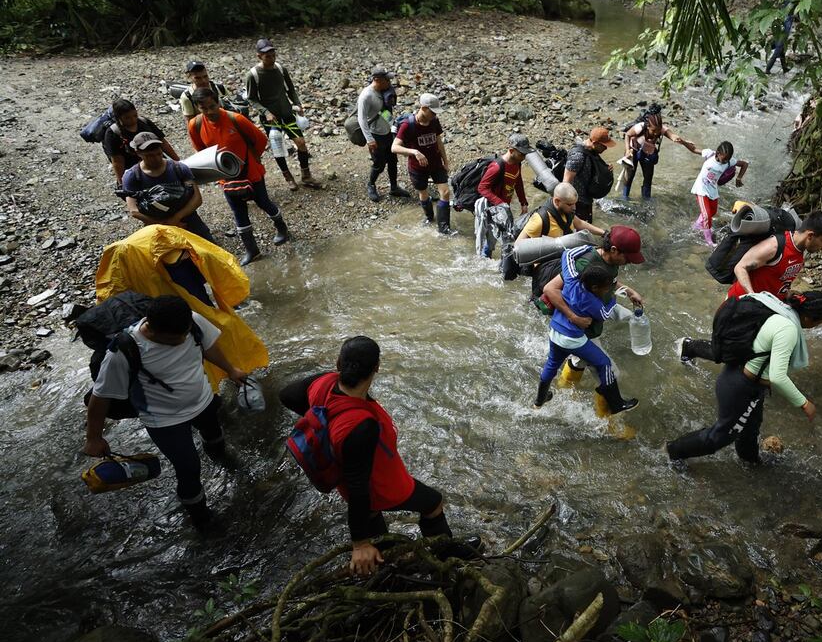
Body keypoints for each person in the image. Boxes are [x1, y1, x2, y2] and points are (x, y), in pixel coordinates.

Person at [279, 336, 481, 574]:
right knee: (433, 503)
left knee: (371, 512)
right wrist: (359, 543)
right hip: (381, 486)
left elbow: (287, 395)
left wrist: (323, 422)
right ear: (377, 367)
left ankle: (386, 560)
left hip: (349, 475)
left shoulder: (323, 384)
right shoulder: (362, 425)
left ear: (338, 363)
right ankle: (444, 557)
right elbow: (359, 488)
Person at [83, 295, 247, 531]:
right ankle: (201, 519)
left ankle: (221, 456)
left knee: (215, 435)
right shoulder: (124, 350)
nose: (182, 341)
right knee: (189, 469)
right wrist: (94, 437)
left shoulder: (192, 322)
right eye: (174, 339)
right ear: (151, 327)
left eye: (184, 335)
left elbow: (208, 346)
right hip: (165, 421)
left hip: (203, 399)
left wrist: (231, 369)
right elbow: (101, 396)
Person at [667, 291, 822, 465]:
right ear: (810, 318)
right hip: (741, 386)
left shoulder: (778, 310)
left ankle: (751, 461)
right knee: (721, 437)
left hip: (746, 380)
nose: (816, 327)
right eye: (820, 323)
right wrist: (804, 403)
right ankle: (672, 451)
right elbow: (777, 377)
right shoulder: (788, 329)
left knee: (750, 430)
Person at [188, 87, 290, 266]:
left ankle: (282, 229)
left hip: (250, 171)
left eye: (213, 106)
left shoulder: (236, 119)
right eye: (204, 108)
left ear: (218, 102)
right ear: (197, 108)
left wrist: (251, 159)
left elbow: (260, 140)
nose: (210, 112)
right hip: (225, 176)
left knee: (263, 202)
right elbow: (201, 151)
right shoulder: (195, 125)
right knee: (238, 212)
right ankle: (252, 250)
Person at [536, 260, 639, 414]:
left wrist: (585, 249)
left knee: (551, 365)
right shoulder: (591, 302)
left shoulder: (571, 281)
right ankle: (617, 404)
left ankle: (540, 399)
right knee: (604, 363)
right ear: (595, 288)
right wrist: (612, 299)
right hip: (573, 339)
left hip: (555, 332)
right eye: (605, 289)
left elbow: (567, 255)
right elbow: (605, 314)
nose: (607, 291)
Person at [244, 38, 320, 189]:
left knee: (301, 143)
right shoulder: (253, 75)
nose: (271, 59)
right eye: (267, 56)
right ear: (259, 56)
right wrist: (265, 112)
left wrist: (297, 103)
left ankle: (306, 175)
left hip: (286, 112)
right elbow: (251, 98)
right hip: (270, 119)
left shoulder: (280, 69)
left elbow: (290, 89)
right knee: (278, 147)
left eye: (273, 55)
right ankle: (288, 177)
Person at [121, 131, 214, 242]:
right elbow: (134, 210)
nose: (156, 158)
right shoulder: (132, 176)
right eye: (149, 156)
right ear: (138, 153)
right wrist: (165, 224)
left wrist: (176, 218)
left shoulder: (178, 168)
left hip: (188, 220)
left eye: (158, 154)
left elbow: (197, 199)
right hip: (156, 226)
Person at [518, 182, 606, 297]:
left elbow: (580, 223)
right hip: (545, 271)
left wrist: (604, 233)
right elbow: (518, 245)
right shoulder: (540, 219)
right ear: (557, 201)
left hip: (563, 263)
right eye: (570, 204)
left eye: (575, 204)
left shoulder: (567, 212)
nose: (574, 207)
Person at [728, 212, 822, 300]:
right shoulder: (774, 246)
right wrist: (752, 296)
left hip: (764, 307)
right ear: (810, 235)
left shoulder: (801, 250)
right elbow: (740, 267)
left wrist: (788, 294)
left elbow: (779, 279)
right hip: (739, 302)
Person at [392, 93, 452, 233]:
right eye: (432, 111)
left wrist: (446, 161)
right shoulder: (408, 125)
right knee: (423, 193)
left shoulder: (434, 121)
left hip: (436, 163)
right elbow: (394, 147)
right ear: (423, 108)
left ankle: (444, 228)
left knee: (446, 192)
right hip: (417, 167)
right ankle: (429, 217)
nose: (434, 115)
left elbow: (438, 141)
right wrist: (415, 152)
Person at [621, 104, 701, 200]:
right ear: (648, 126)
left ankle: (646, 199)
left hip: (647, 153)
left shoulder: (662, 129)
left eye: (658, 130)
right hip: (633, 150)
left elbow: (674, 137)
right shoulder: (641, 126)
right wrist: (627, 150)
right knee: (630, 175)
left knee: (648, 178)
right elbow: (627, 135)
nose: (656, 133)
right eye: (653, 130)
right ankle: (625, 197)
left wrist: (684, 142)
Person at [474, 134, 531, 259]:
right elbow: (482, 188)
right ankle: (482, 259)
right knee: (486, 237)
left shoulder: (517, 163)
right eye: (522, 154)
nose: (524, 157)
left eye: (525, 154)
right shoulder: (497, 167)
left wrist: (523, 203)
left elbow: (518, 182)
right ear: (511, 151)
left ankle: (490, 257)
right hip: (490, 207)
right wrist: (500, 203)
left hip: (503, 207)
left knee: (499, 238)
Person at [102, 99, 180, 186]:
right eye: (127, 118)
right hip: (135, 170)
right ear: (118, 118)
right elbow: (117, 161)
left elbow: (164, 144)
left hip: (158, 163)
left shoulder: (144, 123)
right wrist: (122, 183)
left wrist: (178, 162)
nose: (133, 120)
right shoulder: (113, 134)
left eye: (135, 115)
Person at [357, 65, 406, 202]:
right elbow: (362, 119)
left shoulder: (382, 91)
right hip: (375, 135)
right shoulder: (366, 96)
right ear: (377, 79)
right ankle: (371, 185)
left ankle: (394, 187)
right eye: (387, 80)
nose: (389, 83)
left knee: (392, 161)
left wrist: (394, 127)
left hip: (387, 133)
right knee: (379, 164)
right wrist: (369, 139)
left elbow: (383, 111)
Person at [691, 141, 749, 246]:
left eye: (728, 159)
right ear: (718, 153)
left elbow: (744, 164)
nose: (725, 162)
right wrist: (683, 142)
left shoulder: (728, 161)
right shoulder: (709, 154)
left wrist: (739, 177)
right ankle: (709, 241)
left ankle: (696, 226)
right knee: (706, 215)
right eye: (724, 159)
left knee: (713, 212)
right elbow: (694, 150)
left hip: (712, 189)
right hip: (701, 189)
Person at [563, 126, 616, 223]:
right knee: (580, 232)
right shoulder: (578, 156)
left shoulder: (591, 151)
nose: (606, 148)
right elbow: (566, 183)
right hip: (577, 202)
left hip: (586, 199)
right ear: (595, 143)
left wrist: (604, 168)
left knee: (586, 228)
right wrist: (570, 206)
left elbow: (591, 168)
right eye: (604, 145)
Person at [765, 4, 796, 74]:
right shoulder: (789, 15)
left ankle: (784, 68)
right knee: (776, 53)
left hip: (779, 35)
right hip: (782, 36)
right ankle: (767, 69)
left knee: (781, 52)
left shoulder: (784, 12)